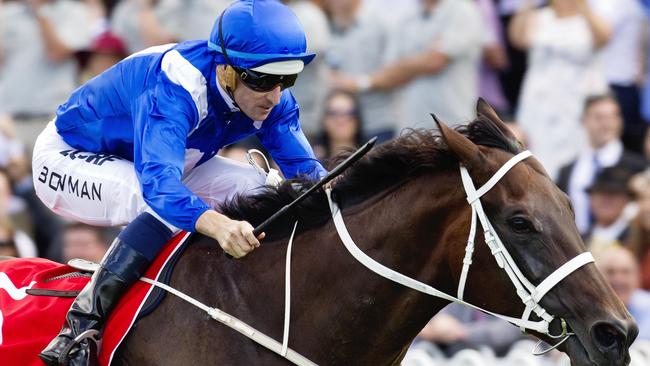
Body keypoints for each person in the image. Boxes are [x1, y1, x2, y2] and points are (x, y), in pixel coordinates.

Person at [32, 1, 327, 364]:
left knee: (261, 189)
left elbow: (310, 176)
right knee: (154, 202)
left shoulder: (273, 97)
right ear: (226, 69)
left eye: (287, 78)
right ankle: (79, 329)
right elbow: (160, 187)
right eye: (262, 79)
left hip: (164, 160)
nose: (274, 95)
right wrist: (217, 224)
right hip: (67, 158)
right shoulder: (177, 87)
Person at [331, 0, 484, 130]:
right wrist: (424, 58)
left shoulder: (462, 10)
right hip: (411, 130)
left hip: (455, 127)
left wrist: (406, 66)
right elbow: (390, 72)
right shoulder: (406, 18)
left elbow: (435, 61)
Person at [510, 0, 610, 178]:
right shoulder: (539, 17)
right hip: (539, 102)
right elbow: (517, 39)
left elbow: (605, 37)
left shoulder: (590, 18)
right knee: (536, 156)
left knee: (578, 158)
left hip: (577, 102)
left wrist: (583, 8)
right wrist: (526, 5)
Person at [556, 94, 646, 236]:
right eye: (598, 117)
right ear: (584, 121)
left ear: (620, 121)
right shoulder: (566, 171)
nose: (606, 124)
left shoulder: (639, 167)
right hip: (575, 250)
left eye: (612, 117)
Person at [597, 246, 650, 341]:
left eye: (625, 272)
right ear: (598, 278)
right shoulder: (587, 309)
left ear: (637, 277)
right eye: (610, 272)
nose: (618, 279)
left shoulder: (647, 307)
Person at [584, 166, 635, 254]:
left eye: (614, 193)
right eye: (601, 192)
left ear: (627, 200)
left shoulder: (638, 239)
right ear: (591, 198)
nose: (607, 200)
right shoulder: (579, 238)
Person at [313, 90, 364, 160]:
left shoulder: (372, 161)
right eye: (333, 113)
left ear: (357, 119)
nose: (341, 120)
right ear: (324, 120)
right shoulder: (313, 163)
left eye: (349, 113)